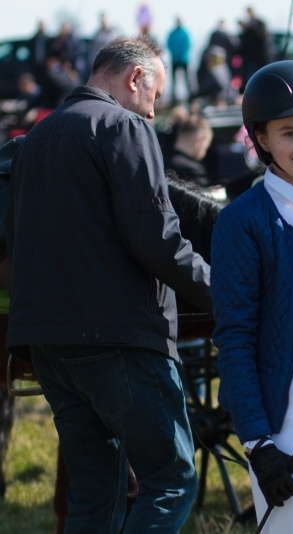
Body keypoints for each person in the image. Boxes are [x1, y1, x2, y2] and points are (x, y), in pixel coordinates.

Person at [6, 35, 211, 532]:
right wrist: (224, 292)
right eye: (154, 97)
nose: (153, 112)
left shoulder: (35, 138)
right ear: (135, 78)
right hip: (119, 339)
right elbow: (158, 237)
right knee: (172, 477)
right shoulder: (124, 126)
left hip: (48, 347)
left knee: (94, 493)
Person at [211, 60, 293, 534]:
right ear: (262, 139)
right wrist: (259, 443)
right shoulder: (242, 221)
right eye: (289, 133)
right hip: (288, 425)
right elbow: (235, 337)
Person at [163, 114, 214, 187]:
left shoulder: (160, 160)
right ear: (197, 141)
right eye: (205, 147)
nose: (204, 153)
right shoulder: (194, 170)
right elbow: (204, 193)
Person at [239, 6, 273, 88]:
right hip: (252, 56)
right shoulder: (252, 24)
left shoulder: (257, 24)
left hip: (260, 55)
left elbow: (262, 38)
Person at [166, 16, 192, 104]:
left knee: (186, 79)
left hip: (183, 59)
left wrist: (179, 54)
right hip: (176, 59)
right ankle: (174, 98)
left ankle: (190, 96)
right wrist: (176, 54)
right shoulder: (173, 33)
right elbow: (169, 44)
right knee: (174, 81)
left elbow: (187, 45)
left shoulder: (184, 33)